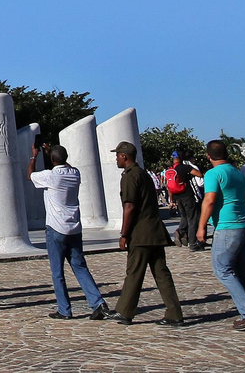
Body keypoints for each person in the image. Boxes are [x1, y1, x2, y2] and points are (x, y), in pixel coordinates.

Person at [32, 142, 111, 321]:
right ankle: (98, 302)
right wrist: (51, 152)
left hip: (56, 228)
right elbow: (64, 164)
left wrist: (34, 156)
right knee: (80, 267)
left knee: (57, 271)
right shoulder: (75, 173)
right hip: (74, 227)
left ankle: (64, 309)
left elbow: (30, 175)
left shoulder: (51, 176)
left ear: (52, 160)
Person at [112, 140, 182, 326]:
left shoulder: (130, 176)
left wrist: (124, 234)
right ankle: (174, 312)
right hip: (155, 231)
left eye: (117, 155)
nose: (116, 159)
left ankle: (125, 312)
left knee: (134, 272)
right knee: (161, 273)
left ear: (124, 157)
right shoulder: (143, 174)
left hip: (140, 233)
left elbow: (129, 206)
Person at [198, 139, 245, 329]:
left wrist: (201, 227)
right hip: (244, 224)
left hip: (226, 226)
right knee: (243, 270)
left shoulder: (213, 174)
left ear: (208, 156)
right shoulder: (237, 172)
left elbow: (209, 200)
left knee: (223, 269)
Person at [164, 151, 205, 251]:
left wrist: (172, 200)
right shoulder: (184, 167)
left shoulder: (170, 170)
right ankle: (192, 243)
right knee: (192, 220)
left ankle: (180, 232)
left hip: (178, 197)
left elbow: (169, 187)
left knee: (184, 217)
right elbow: (199, 174)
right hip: (188, 196)